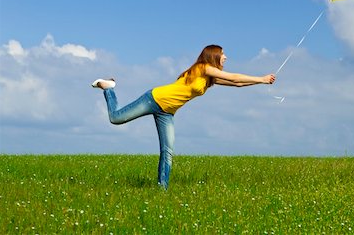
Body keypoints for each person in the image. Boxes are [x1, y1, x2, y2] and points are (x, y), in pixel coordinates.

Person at [92, 45, 275, 189]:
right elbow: (234, 77)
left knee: (168, 151)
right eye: (223, 53)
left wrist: (261, 82)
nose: (226, 57)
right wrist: (261, 78)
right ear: (213, 55)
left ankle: (161, 189)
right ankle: (109, 88)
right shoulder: (203, 68)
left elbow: (237, 85)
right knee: (116, 118)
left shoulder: (209, 77)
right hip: (155, 98)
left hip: (168, 112)